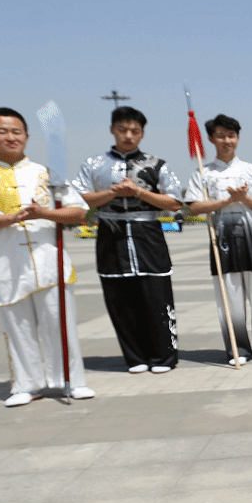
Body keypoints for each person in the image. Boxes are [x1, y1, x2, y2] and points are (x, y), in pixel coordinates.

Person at [0, 107, 95, 407]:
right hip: (6, 264)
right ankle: (26, 384)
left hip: (50, 262)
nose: (10, 137)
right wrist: (8, 219)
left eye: (16, 131)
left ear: (27, 136)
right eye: (2, 131)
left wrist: (44, 213)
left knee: (60, 323)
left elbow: (78, 210)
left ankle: (70, 381)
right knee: (17, 327)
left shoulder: (47, 174)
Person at [74, 106, 184, 375]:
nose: (128, 135)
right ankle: (135, 357)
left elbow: (174, 202)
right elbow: (80, 197)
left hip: (148, 235)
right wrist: (112, 193)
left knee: (157, 298)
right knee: (120, 300)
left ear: (142, 134)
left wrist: (137, 191)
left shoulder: (157, 165)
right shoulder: (93, 164)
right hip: (111, 234)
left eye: (134, 131)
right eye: (122, 129)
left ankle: (163, 357)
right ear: (112, 130)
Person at [185, 114, 252, 365]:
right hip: (222, 242)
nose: (227, 140)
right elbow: (194, 208)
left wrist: (244, 199)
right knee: (230, 297)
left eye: (231, 135)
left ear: (238, 138)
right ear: (211, 138)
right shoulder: (202, 173)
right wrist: (227, 201)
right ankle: (238, 349)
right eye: (221, 135)